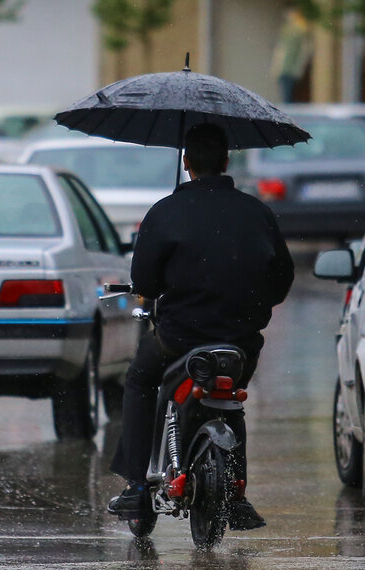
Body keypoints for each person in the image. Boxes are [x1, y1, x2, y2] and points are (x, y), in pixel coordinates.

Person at [107, 123, 294, 531]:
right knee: (233, 401)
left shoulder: (164, 212)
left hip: (178, 339)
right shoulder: (257, 211)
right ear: (227, 161)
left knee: (140, 379)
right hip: (240, 343)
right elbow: (281, 280)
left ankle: (137, 485)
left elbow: (146, 283)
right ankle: (238, 495)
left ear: (186, 162)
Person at [270, 5, 314, 104]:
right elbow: (281, 49)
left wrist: (299, 68)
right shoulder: (286, 29)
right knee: (286, 95)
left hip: (291, 67)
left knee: (290, 97)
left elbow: (305, 50)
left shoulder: (300, 29)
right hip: (284, 67)